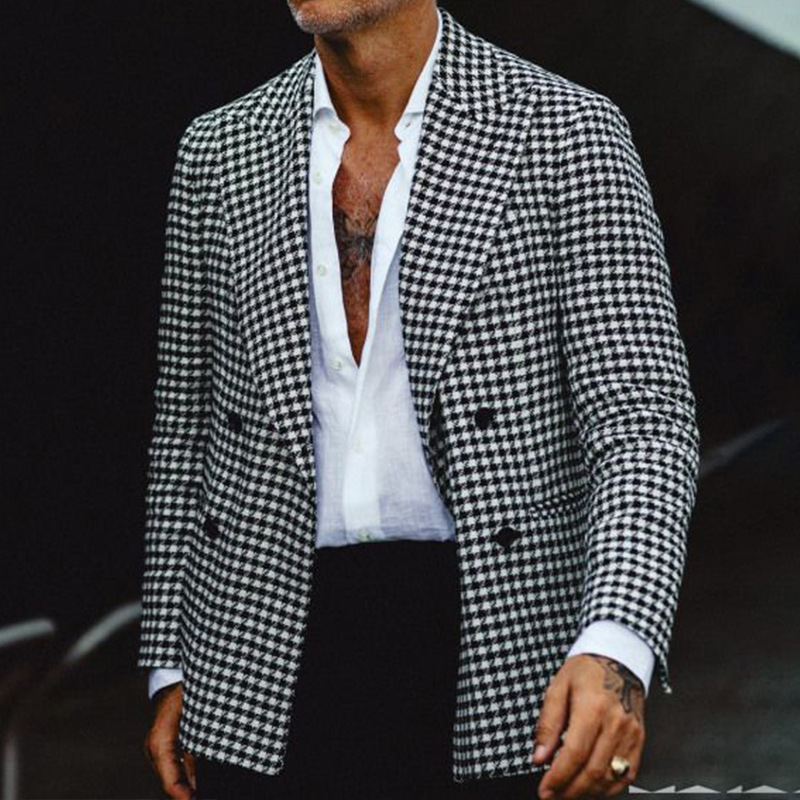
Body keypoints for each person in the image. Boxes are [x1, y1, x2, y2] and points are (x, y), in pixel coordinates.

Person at [139, 1, 700, 798]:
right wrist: (172, 661)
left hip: (502, 648)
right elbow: (185, 429)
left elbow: (642, 423)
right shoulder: (219, 148)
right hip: (260, 655)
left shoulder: (566, 130)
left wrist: (616, 643)